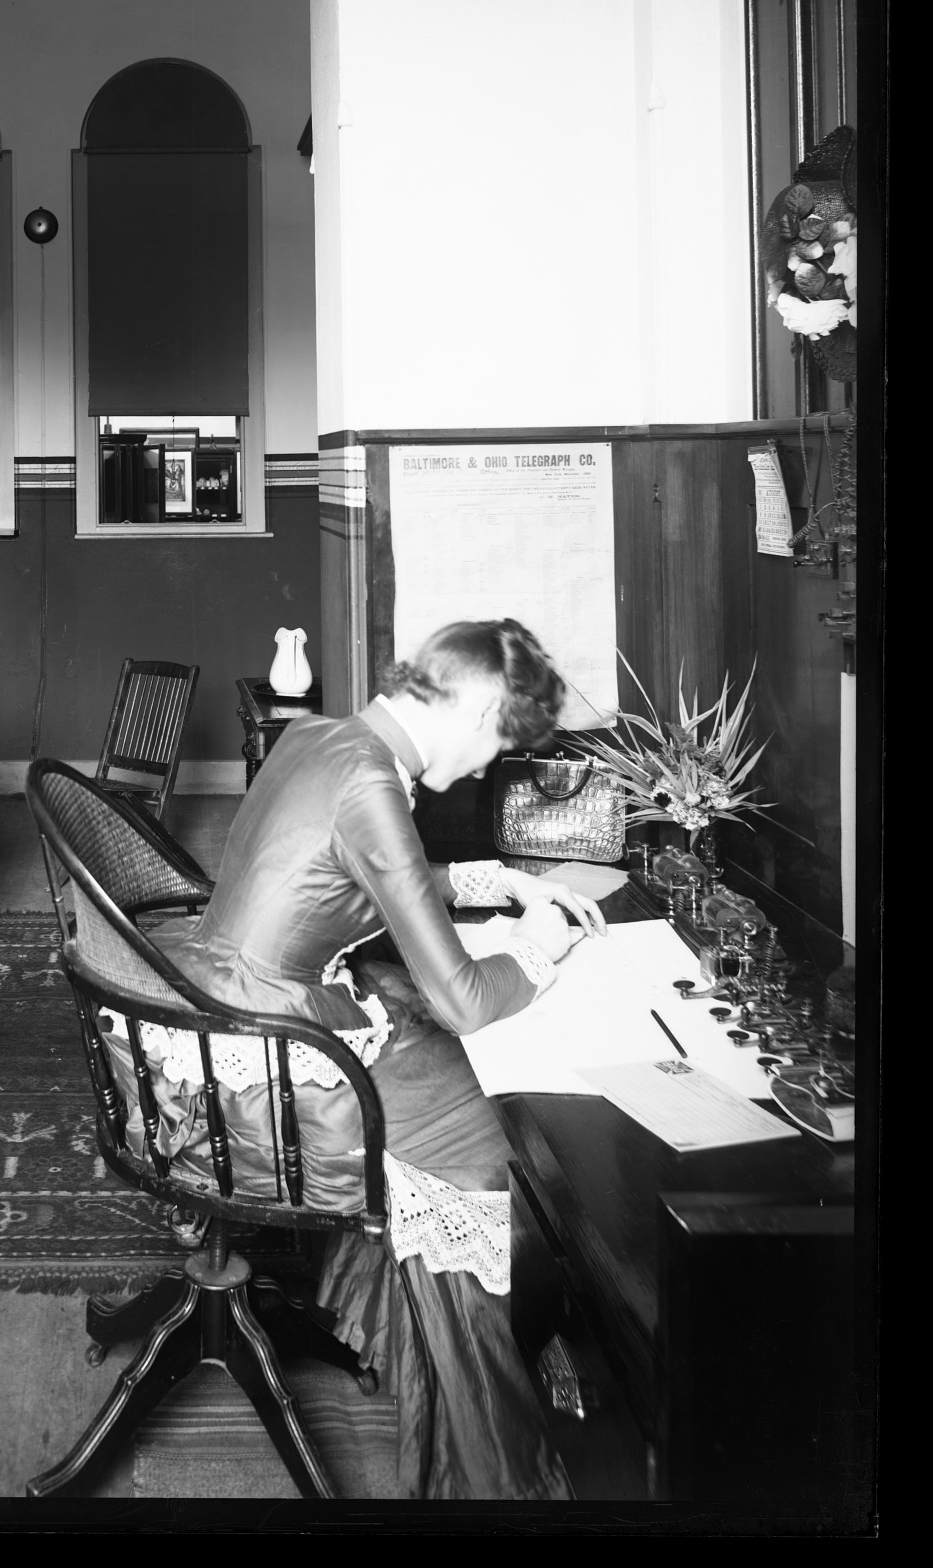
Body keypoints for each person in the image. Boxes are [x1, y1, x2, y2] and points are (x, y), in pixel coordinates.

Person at [157, 618, 605, 1499]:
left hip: (205, 1018)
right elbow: (466, 1000)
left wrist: (501, 883)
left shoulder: (327, 737)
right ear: (474, 705)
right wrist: (541, 948)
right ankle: (483, 1453)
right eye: (496, 742)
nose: (484, 767)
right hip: (257, 1063)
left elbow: (380, 869)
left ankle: (399, 1329)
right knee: (491, 1143)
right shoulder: (372, 783)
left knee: (427, 1052)